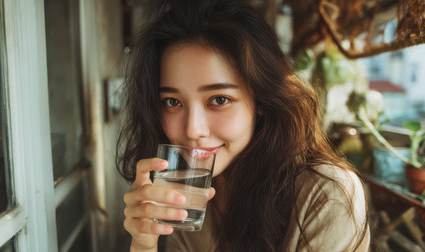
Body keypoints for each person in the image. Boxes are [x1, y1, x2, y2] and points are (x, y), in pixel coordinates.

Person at [118, 0, 370, 251]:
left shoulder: (327, 194)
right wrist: (143, 244)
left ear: (261, 98)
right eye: (172, 102)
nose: (192, 130)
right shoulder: (192, 196)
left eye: (219, 100)